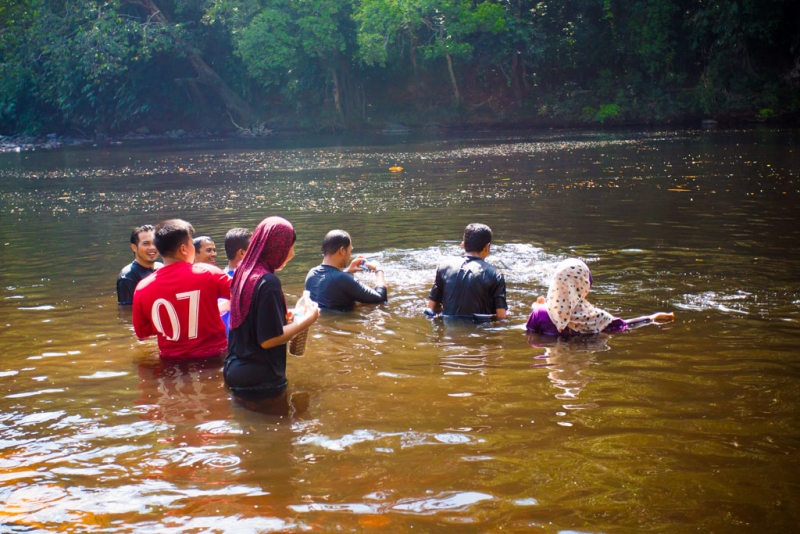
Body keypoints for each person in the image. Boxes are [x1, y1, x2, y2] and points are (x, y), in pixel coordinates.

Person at [223, 216, 320, 400]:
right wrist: (309, 318)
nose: (292, 254)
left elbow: (249, 319)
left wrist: (279, 317)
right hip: (259, 379)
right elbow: (268, 340)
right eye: (292, 248)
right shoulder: (268, 282)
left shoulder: (243, 271)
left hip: (234, 368)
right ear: (279, 246)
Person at [132, 219, 231, 359]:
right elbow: (247, 295)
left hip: (170, 363)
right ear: (184, 249)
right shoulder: (209, 273)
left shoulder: (142, 288)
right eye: (191, 244)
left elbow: (143, 334)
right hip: (214, 357)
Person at [526, 258, 674, 337]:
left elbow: (530, 336)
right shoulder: (596, 318)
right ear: (582, 287)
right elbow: (626, 324)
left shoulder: (539, 313)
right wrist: (653, 317)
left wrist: (538, 306)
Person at [426, 223, 507, 319]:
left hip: (449, 327)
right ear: (487, 247)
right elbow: (501, 317)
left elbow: (430, 308)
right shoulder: (495, 274)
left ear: (463, 245)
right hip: (479, 329)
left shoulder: (444, 267)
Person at [304, 230, 387, 311]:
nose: (350, 255)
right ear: (342, 251)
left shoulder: (311, 273)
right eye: (350, 250)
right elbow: (381, 298)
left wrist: (348, 271)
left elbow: (330, 282)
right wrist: (378, 269)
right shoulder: (343, 279)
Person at [117, 224, 162, 305]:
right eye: (146, 243)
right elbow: (126, 313)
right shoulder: (128, 276)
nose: (152, 247)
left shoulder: (163, 267)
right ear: (134, 247)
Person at [220, 227, 253, 333]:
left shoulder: (218, 277)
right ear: (242, 253)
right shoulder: (247, 281)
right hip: (238, 342)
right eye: (252, 249)